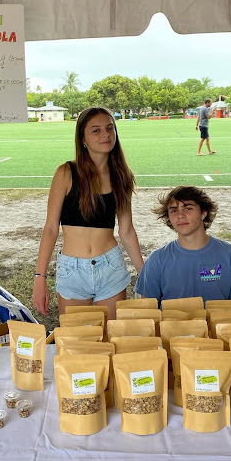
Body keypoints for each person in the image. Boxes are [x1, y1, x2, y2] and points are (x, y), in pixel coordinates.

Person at [32, 106, 144, 320]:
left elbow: (127, 231)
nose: (106, 134)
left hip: (110, 267)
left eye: (110, 128)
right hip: (72, 271)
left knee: (111, 339)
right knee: (76, 341)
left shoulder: (121, 177)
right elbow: (50, 228)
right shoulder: (66, 172)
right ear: (83, 138)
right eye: (96, 130)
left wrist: (145, 275)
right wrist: (40, 278)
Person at [134, 185, 231, 307]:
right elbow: (148, 311)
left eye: (188, 208)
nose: (180, 215)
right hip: (172, 328)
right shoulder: (157, 259)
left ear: (203, 213)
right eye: (173, 210)